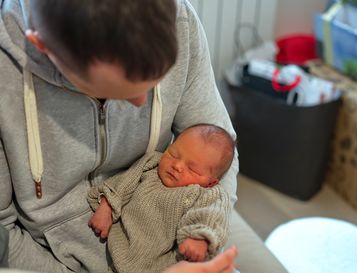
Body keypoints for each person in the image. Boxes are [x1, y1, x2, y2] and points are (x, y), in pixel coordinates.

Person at [0, 0, 238, 272]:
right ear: (43, 48)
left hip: (170, 228)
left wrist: (205, 240)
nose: (139, 103)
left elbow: (219, 146)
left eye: (153, 84)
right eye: (117, 91)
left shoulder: (179, 18)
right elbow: (4, 234)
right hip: (50, 257)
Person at [87, 124, 234, 273]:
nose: (177, 165)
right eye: (173, 154)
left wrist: (201, 239)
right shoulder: (151, 165)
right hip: (119, 257)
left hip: (166, 267)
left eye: (192, 169)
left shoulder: (208, 194)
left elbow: (212, 216)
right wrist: (106, 207)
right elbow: (122, 183)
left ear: (211, 182)